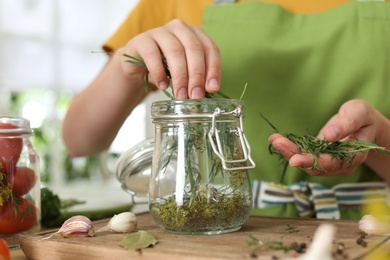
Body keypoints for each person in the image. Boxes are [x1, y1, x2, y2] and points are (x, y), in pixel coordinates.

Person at [62, 0, 390, 219]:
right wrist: (125, 67)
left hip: (370, 230)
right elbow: (79, 140)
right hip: (215, 226)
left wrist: (376, 135)